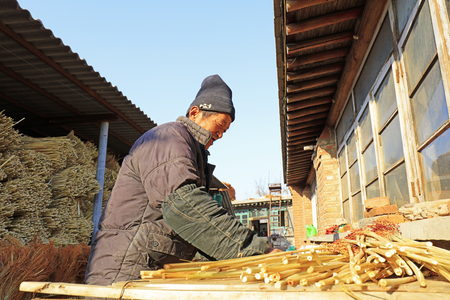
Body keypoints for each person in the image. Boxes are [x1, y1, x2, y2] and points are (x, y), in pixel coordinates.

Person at [85, 74, 273, 286]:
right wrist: (255, 250)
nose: (220, 135)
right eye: (219, 125)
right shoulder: (168, 139)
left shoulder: (194, 152)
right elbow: (185, 207)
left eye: (225, 130)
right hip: (125, 271)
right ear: (195, 113)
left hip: (151, 271)